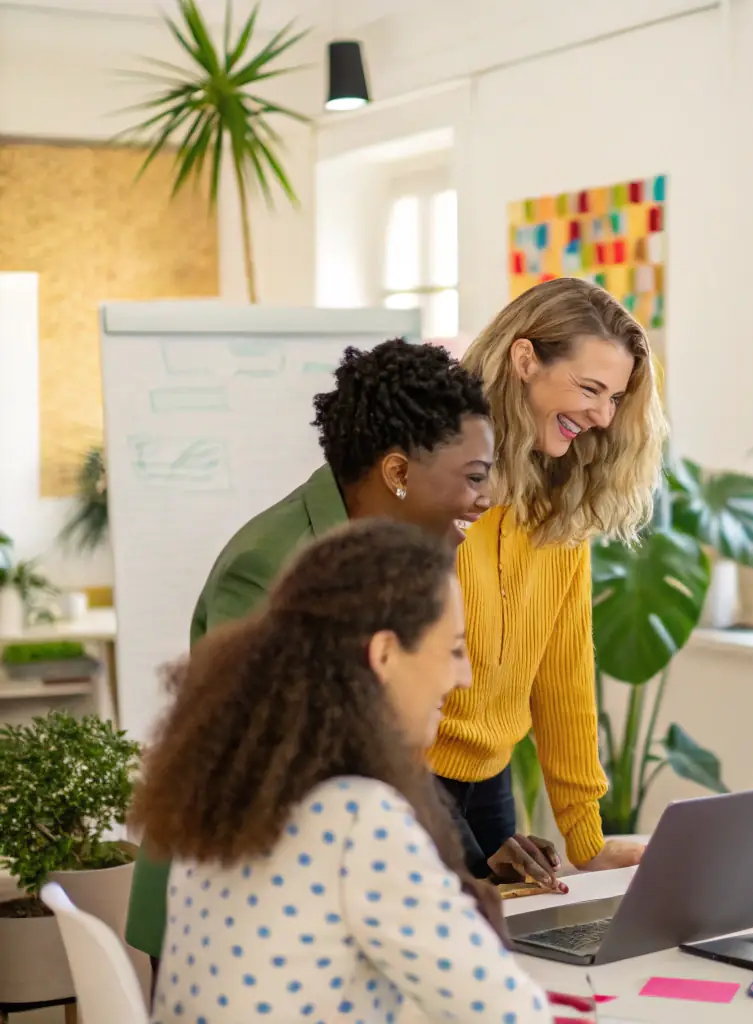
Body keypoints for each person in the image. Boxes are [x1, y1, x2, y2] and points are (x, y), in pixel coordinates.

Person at [125, 341, 563, 979]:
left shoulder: (397, 560)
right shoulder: (276, 565)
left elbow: (386, 753)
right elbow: (283, 771)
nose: (488, 497)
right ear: (398, 472)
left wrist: (469, 858)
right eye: (473, 475)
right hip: (232, 907)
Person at [129, 519, 553, 1024]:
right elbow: (510, 1012)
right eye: (455, 648)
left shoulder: (231, 789)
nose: (463, 676)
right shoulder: (357, 818)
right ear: (385, 654)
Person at [436, 277, 667, 877]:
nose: (601, 415)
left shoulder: (560, 503)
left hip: (491, 783)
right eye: (590, 388)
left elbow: (564, 674)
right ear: (524, 359)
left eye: (614, 399)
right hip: (409, 777)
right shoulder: (437, 484)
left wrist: (586, 840)